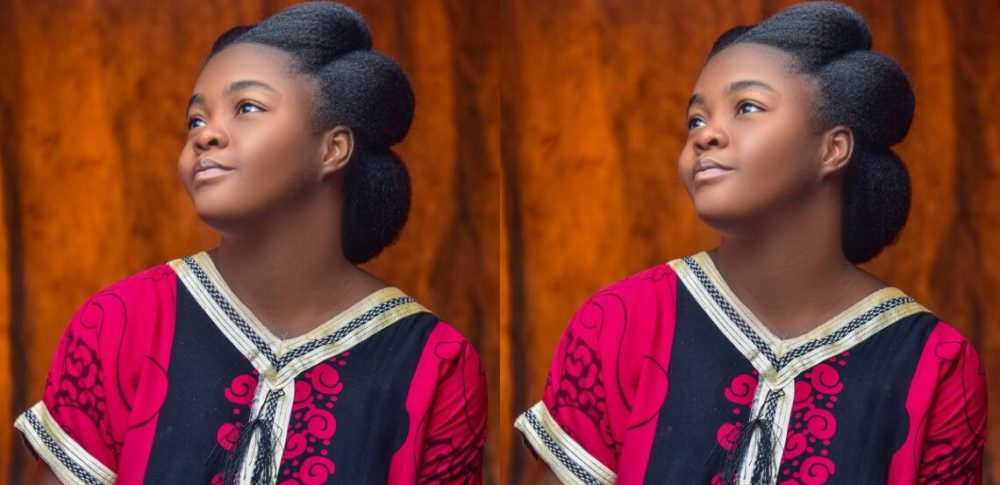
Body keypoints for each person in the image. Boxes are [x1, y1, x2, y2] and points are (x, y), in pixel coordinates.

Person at [15, 2, 487, 484]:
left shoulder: (436, 363)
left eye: (247, 108)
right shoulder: (118, 323)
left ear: (333, 149)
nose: (205, 136)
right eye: (195, 120)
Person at [515, 2, 986, 484]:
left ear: (833, 148)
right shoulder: (618, 322)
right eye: (695, 120)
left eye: (747, 108)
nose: (705, 136)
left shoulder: (935, 363)